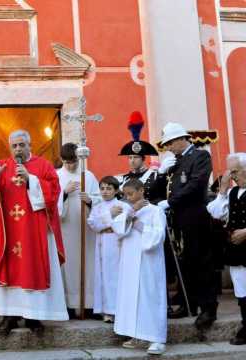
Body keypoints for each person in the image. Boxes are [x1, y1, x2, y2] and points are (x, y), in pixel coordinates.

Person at [0, 130, 68, 335]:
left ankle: (33, 316)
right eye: (14, 146)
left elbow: (53, 193)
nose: (18, 149)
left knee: (32, 268)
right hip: (8, 231)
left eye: (22, 145)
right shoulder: (2, 166)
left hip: (33, 230)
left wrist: (32, 179)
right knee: (9, 270)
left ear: (30, 145)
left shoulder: (43, 165)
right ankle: (9, 315)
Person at [151, 122, 217, 329]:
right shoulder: (175, 161)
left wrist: (171, 202)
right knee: (186, 261)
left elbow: (196, 184)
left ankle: (209, 308)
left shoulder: (200, 156)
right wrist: (161, 173)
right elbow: (155, 191)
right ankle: (190, 303)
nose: (168, 147)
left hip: (196, 217)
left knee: (202, 262)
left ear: (182, 139)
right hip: (178, 219)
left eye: (170, 143)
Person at [113, 179, 167, 355]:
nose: (129, 198)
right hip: (130, 262)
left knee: (150, 297)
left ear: (141, 191)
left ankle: (157, 338)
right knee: (133, 298)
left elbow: (158, 236)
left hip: (148, 262)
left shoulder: (156, 211)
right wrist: (130, 215)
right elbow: (118, 229)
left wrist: (139, 225)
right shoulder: (128, 210)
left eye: (131, 194)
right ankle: (137, 335)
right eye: (126, 195)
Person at [56, 142, 102, 318]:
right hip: (66, 229)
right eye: (67, 162)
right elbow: (51, 203)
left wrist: (90, 201)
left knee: (88, 264)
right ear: (61, 160)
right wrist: (64, 194)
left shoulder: (88, 176)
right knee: (67, 266)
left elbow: (100, 199)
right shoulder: (56, 175)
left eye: (74, 161)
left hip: (86, 230)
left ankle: (89, 305)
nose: (71, 165)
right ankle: (68, 305)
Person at [207, 153, 246, 345]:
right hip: (236, 250)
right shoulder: (232, 192)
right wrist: (222, 190)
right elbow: (215, 213)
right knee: (241, 289)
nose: (232, 176)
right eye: (230, 172)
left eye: (235, 172)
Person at [86, 176, 130, 323]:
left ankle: (120, 309)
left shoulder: (122, 206)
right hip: (103, 243)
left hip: (118, 243)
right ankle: (107, 310)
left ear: (116, 190)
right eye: (102, 188)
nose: (105, 192)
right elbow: (93, 224)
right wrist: (109, 215)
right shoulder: (97, 207)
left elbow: (127, 222)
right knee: (105, 277)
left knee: (118, 276)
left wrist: (111, 222)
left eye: (109, 188)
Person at [116, 112, 162, 203]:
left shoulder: (154, 176)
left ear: (143, 159)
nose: (132, 161)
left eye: (136, 157)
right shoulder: (123, 179)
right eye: (130, 157)